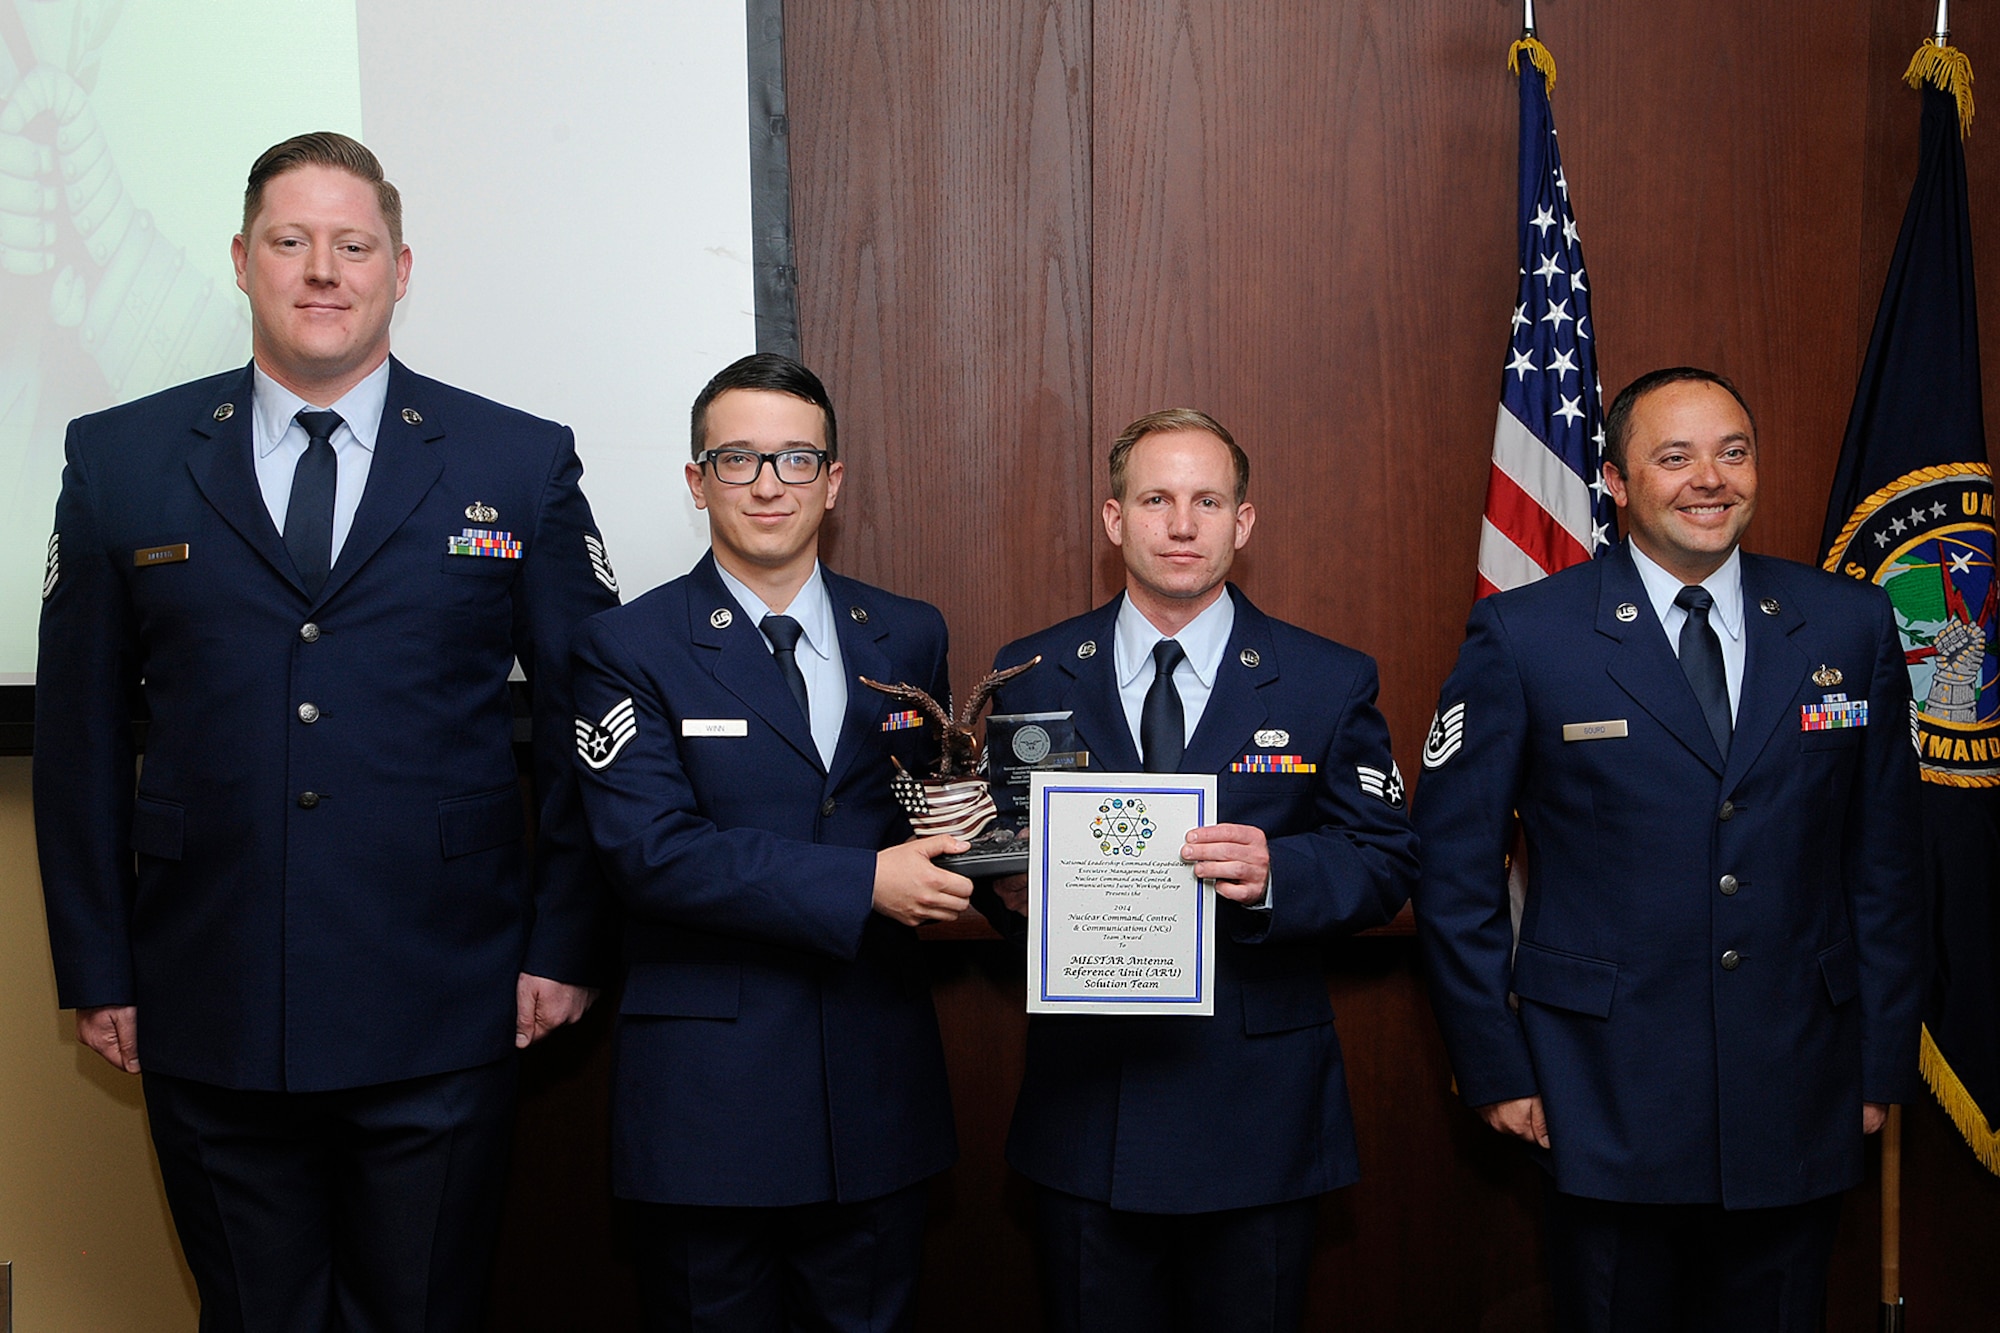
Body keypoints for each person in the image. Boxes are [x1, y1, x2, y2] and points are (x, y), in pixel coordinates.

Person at [33, 131, 619, 1331]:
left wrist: (565, 939)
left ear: (400, 269)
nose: (321, 271)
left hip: (447, 994)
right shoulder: (119, 458)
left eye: (352, 246)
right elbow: (79, 733)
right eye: (290, 242)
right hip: (208, 994)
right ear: (241, 261)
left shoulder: (517, 459)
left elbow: (584, 722)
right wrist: (97, 965)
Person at [1414, 367, 1926, 1332]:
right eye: (1675, 455)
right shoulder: (1528, 636)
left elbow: (1887, 866)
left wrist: (1881, 1065)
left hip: (1800, 1086)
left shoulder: (1850, 623)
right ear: (1614, 480)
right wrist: (1498, 1064)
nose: (1711, 478)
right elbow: (1454, 869)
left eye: (1733, 451)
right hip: (1599, 1087)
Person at [985, 408, 1419, 1333]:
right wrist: (1010, 894)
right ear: (1115, 519)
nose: (1182, 524)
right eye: (1156, 499)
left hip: (1255, 1110)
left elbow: (1385, 858)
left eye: (1207, 500)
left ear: (1242, 522)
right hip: (1087, 1107)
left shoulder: (1324, 678)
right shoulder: (1029, 675)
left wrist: (1278, 872)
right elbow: (1001, 858)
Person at [568, 352, 973, 1331]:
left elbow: (933, 807)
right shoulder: (627, 647)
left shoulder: (907, 636)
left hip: (876, 1090)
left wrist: (987, 844)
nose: (765, 483)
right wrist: (864, 883)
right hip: (709, 1105)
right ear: (695, 479)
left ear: (832, 483)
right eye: (736, 458)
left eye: (794, 459)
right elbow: (651, 853)